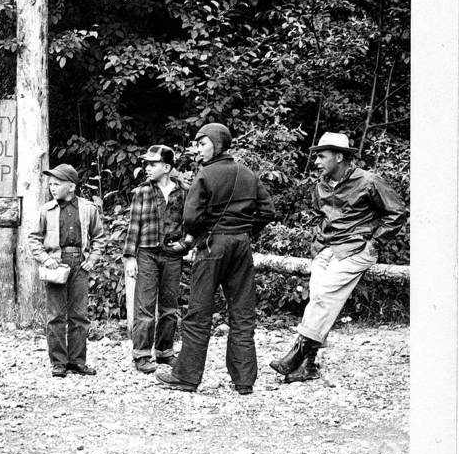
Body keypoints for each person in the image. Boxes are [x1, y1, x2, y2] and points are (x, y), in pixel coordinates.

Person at [269, 132, 408, 381]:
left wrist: (375, 244)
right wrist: (318, 242)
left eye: (322, 156)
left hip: (356, 249)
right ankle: (309, 366)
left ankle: (297, 355)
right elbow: (318, 214)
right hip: (327, 249)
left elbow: (397, 212)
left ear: (339, 156)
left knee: (324, 296)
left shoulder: (369, 181)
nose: (317, 162)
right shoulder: (321, 185)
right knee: (317, 299)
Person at [156, 123, 275, 395]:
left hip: (212, 246)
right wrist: (246, 231)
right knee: (243, 314)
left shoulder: (205, 175)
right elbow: (267, 211)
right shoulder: (248, 173)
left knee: (199, 312)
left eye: (202, 144)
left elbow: (190, 218)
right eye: (197, 144)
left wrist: (196, 237)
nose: (198, 150)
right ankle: (244, 382)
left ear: (218, 144)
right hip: (241, 245)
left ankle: (186, 378)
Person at [28, 163, 105, 378]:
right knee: (55, 316)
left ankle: (77, 362)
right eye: (51, 184)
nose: (52, 188)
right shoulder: (46, 210)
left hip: (79, 264)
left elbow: (99, 237)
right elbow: (34, 239)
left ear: (71, 187)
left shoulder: (88, 209)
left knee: (79, 315)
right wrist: (45, 259)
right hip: (56, 265)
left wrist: (92, 259)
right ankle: (58, 363)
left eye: (57, 184)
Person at [122, 145, 191, 373]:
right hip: (147, 253)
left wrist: (185, 244)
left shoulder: (183, 192)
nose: (147, 168)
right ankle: (141, 354)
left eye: (153, 164)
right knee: (145, 306)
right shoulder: (142, 192)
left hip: (172, 255)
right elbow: (134, 226)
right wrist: (130, 257)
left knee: (170, 307)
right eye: (147, 164)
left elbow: (191, 223)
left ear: (167, 167)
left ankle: (164, 351)